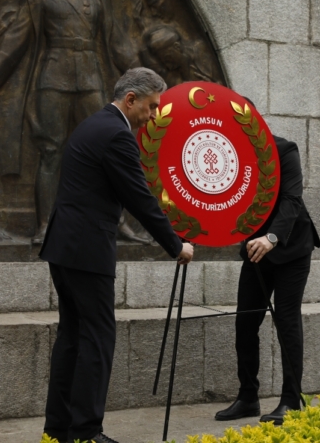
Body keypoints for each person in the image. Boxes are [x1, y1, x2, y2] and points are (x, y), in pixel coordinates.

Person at [38, 68, 194, 443]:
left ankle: (58, 429)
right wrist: (176, 245)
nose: (154, 116)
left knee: (72, 337)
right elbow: (139, 198)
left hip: (65, 247)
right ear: (131, 99)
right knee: (97, 338)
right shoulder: (116, 135)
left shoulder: (94, 124)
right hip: (87, 252)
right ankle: (87, 432)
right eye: (152, 107)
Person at [0, 0, 140, 243]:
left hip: (90, 77)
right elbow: (18, 37)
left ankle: (117, 221)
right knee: (50, 151)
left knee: (106, 149)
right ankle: (46, 224)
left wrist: (149, 84)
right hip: (54, 77)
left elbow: (117, 42)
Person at [214, 103, 320, 425]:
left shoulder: (285, 150)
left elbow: (290, 199)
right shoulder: (229, 155)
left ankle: (291, 400)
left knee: (287, 321)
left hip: (291, 249)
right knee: (245, 324)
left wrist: (271, 237)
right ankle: (248, 397)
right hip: (254, 251)